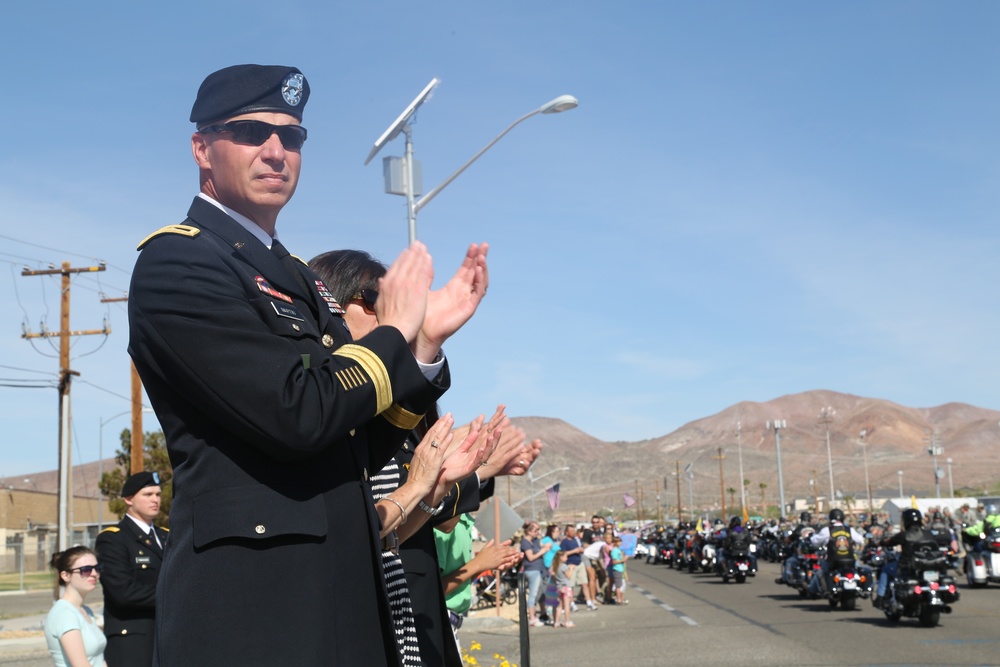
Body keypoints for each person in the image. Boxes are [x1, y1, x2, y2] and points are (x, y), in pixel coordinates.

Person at [128, 64, 489, 666]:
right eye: (250, 132)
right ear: (202, 149)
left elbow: (358, 441)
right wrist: (395, 333)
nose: (275, 151)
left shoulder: (298, 278)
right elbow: (297, 412)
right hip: (256, 607)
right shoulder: (179, 263)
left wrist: (422, 346)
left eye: (291, 137)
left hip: (342, 587)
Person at [308, 248, 540, 666]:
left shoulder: (390, 402)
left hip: (405, 597)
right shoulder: (317, 407)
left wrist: (467, 474)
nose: (394, 313)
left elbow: (404, 521)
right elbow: (361, 520)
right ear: (329, 304)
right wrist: (454, 479)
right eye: (377, 299)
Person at [95, 472, 167, 667]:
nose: (155, 500)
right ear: (128, 499)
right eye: (148, 494)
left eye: (158, 494)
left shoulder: (167, 536)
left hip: (168, 637)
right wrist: (174, 596)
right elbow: (123, 592)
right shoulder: (113, 539)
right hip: (133, 642)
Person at [44, 547, 107, 667]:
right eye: (86, 570)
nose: (94, 574)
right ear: (66, 575)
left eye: (97, 568)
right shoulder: (64, 614)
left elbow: (99, 659)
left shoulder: (85, 611)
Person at [874, 508, 937, 608]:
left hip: (907, 567)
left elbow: (889, 542)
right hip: (928, 566)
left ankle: (880, 597)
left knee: (886, 568)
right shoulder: (929, 534)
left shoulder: (904, 535)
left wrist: (880, 542)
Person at [807, 508, 865, 596]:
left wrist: (811, 537)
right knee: (860, 570)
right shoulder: (849, 530)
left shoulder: (827, 530)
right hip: (850, 559)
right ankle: (862, 587)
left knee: (820, 571)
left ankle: (816, 590)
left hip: (833, 560)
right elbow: (861, 540)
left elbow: (815, 541)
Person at [520, 521, 552, 626]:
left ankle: (543, 614)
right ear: (529, 531)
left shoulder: (535, 540)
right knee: (533, 594)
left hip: (541, 569)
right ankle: (532, 617)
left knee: (542, 592)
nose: (538, 532)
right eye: (536, 530)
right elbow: (530, 557)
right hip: (532, 570)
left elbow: (542, 545)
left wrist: (546, 546)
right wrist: (543, 551)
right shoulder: (525, 542)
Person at [549, 550, 575, 627]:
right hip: (566, 586)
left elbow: (553, 576)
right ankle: (567, 621)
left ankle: (556, 622)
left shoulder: (555, 566)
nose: (567, 558)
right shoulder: (564, 566)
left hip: (559, 587)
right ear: (561, 557)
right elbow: (569, 576)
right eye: (565, 557)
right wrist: (571, 569)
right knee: (567, 605)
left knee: (559, 605)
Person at [609, 536, 628, 604]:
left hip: (620, 569)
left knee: (621, 585)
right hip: (617, 569)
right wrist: (623, 560)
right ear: (615, 543)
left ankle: (620, 598)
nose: (620, 543)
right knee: (618, 585)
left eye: (620, 541)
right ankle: (618, 599)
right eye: (618, 542)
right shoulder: (614, 551)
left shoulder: (619, 550)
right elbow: (614, 562)